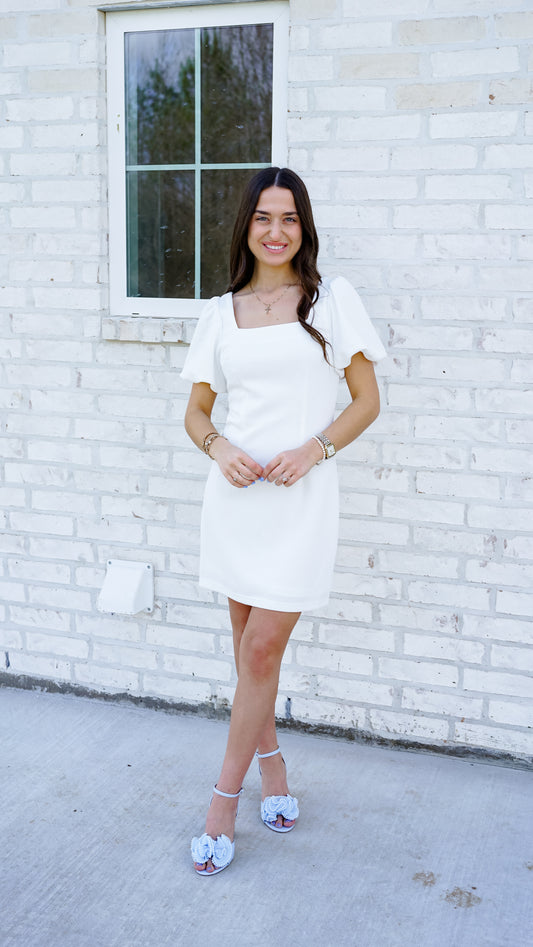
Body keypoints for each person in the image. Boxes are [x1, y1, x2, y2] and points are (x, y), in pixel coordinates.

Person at [181, 167, 386, 875]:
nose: (275, 231)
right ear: (246, 225)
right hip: (235, 501)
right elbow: (196, 412)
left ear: (305, 227)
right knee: (250, 658)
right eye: (263, 217)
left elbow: (365, 400)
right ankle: (272, 768)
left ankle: (220, 803)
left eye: (289, 218)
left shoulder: (331, 301)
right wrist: (220, 448)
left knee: (260, 651)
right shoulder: (220, 312)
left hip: (299, 502)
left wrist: (314, 448)